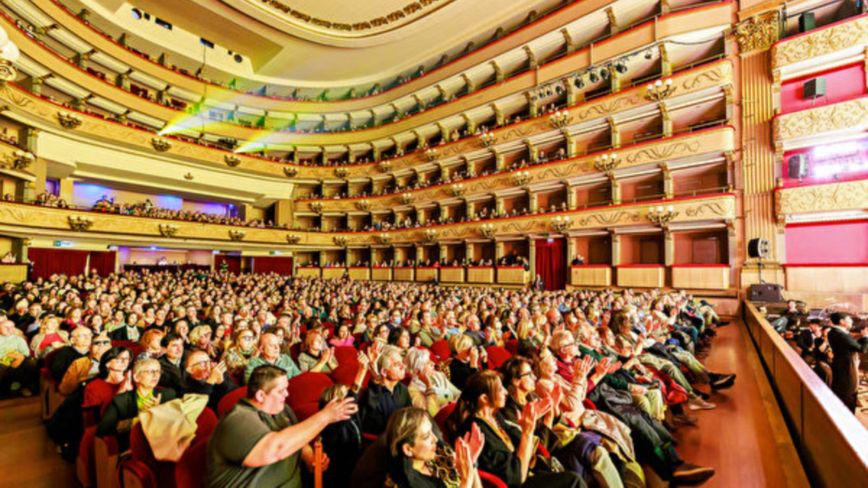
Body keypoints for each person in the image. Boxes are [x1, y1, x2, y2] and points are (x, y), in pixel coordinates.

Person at [205, 364, 358, 488]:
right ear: (260, 395)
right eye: (281, 390)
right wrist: (325, 416)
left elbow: (298, 438)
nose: (287, 394)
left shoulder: (282, 410)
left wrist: (309, 457)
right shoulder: (237, 419)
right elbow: (274, 449)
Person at [445, 371, 585, 488]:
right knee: (574, 480)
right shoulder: (477, 430)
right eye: (500, 389)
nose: (506, 392)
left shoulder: (495, 416)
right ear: (484, 398)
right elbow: (517, 478)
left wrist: (532, 423)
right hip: (516, 483)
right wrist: (527, 431)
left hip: (527, 471)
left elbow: (525, 446)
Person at [384, 407, 485, 488]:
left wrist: (471, 463)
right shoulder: (401, 482)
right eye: (426, 436)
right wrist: (466, 480)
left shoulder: (440, 454)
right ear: (408, 449)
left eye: (432, 431)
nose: (435, 439)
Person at [97, 357, 177, 448]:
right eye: (150, 371)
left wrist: (158, 412)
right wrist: (140, 418)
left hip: (164, 444)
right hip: (132, 447)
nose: (156, 375)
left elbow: (177, 422)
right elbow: (104, 429)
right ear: (136, 377)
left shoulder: (168, 395)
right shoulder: (121, 400)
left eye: (158, 371)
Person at [360, 344, 412, 435]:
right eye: (397, 365)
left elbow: (410, 416)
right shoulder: (373, 393)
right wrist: (373, 364)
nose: (403, 367)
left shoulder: (402, 389)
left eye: (402, 362)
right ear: (384, 372)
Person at [827, 312, 868, 412]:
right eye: (849, 320)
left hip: (845, 365)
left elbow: (853, 345)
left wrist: (863, 337)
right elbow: (862, 349)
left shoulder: (838, 332)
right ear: (842, 321)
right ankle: (848, 419)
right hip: (846, 367)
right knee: (848, 392)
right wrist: (866, 337)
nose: (852, 322)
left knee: (847, 391)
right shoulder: (839, 333)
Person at [0, 318, 38, 397]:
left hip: (17, 360)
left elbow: (26, 353)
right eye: (5, 327)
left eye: (12, 327)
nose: (9, 329)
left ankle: (25, 387)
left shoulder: (19, 339)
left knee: (31, 363)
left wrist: (20, 358)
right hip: (1, 362)